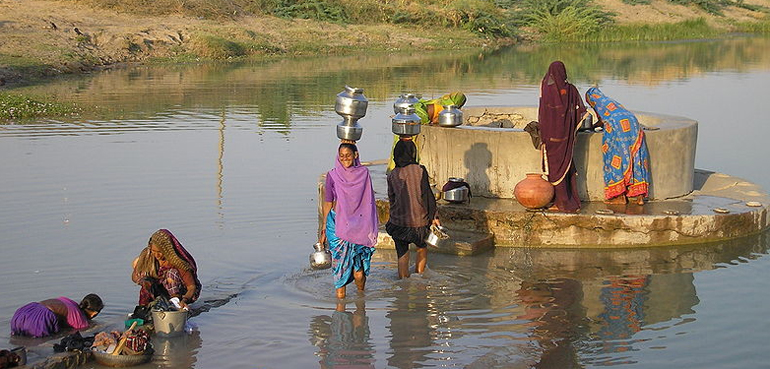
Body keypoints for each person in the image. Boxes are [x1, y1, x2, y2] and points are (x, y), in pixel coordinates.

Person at [319, 143, 379, 299]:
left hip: (359, 226)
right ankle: (348, 306)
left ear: (356, 155)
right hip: (338, 226)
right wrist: (324, 228)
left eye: (348, 155)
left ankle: (358, 300)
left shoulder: (364, 174)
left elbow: (368, 201)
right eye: (342, 156)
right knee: (340, 268)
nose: (345, 158)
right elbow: (328, 202)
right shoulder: (332, 175)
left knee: (357, 271)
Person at [585, 86, 650, 205]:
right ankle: (640, 198)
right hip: (633, 124)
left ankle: (619, 197)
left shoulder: (598, 104)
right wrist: (596, 125)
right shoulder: (610, 102)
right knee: (637, 158)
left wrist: (591, 127)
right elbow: (604, 118)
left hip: (618, 127)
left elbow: (603, 119)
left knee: (615, 158)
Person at [385, 140, 440, 279]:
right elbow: (427, 195)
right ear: (413, 154)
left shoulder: (392, 174)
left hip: (398, 222)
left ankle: (403, 282)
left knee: (402, 253)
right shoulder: (420, 171)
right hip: (419, 222)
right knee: (421, 247)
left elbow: (391, 198)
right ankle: (420, 278)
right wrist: (434, 216)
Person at [538, 61, 588, 213]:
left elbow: (544, 114)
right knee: (565, 168)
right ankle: (568, 200)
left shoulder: (548, 89)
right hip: (566, 139)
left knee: (554, 170)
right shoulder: (571, 90)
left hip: (551, 138)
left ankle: (561, 203)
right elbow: (581, 113)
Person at [387, 92, 467, 172]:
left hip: (416, 114)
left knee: (399, 147)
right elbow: (436, 119)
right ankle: (403, 171)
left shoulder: (439, 102)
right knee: (407, 149)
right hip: (420, 117)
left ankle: (393, 171)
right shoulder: (448, 110)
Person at [132, 229, 201, 308]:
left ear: (166, 250)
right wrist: (142, 280)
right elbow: (135, 276)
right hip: (160, 290)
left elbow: (192, 287)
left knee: (171, 274)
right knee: (146, 279)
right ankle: (145, 308)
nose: (157, 255)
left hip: (182, 293)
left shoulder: (177, 261)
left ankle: (175, 303)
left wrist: (185, 300)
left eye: (160, 252)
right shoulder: (148, 256)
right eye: (154, 251)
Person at [10, 294, 103, 338]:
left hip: (24, 312)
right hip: (38, 320)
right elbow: (80, 331)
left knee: (18, 337)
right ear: (94, 312)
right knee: (37, 342)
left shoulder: (68, 301)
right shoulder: (79, 317)